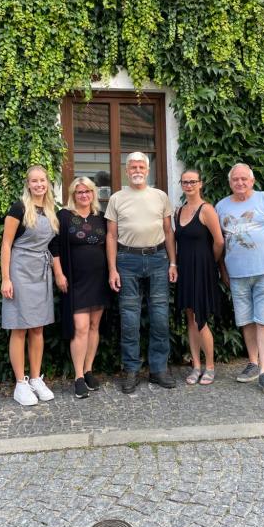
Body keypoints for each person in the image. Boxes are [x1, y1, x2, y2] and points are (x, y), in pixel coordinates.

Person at [216, 163, 264, 396]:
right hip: (237, 274)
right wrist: (223, 270)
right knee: (246, 320)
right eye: (235, 179)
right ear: (230, 183)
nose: (240, 183)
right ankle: (253, 362)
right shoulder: (221, 206)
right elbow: (219, 242)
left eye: (244, 179)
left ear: (252, 180)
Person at [106, 151, 177, 393]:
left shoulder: (160, 196)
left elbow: (169, 232)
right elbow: (111, 236)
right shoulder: (117, 198)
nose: (137, 170)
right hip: (127, 260)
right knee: (129, 319)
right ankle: (131, 369)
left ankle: (158, 369)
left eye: (141, 166)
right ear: (126, 171)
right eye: (132, 167)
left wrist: (173, 263)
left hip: (158, 259)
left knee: (159, 317)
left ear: (148, 170)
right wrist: (112, 268)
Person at [1, 165, 58, 406]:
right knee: (19, 327)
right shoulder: (19, 208)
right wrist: (6, 278)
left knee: (38, 328)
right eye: (34, 181)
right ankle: (20, 384)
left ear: (47, 183)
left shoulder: (51, 210)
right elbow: (6, 245)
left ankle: (35, 378)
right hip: (20, 271)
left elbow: (53, 247)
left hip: (41, 272)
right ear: (28, 184)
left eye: (42, 180)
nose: (39, 184)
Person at [50, 177, 111, 399]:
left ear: (93, 193)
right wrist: (58, 273)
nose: (84, 195)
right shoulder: (64, 216)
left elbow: (110, 244)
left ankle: (88, 370)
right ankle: (77, 377)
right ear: (72, 195)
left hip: (99, 279)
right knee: (81, 327)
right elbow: (54, 245)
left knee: (94, 325)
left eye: (87, 191)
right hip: (75, 280)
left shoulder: (100, 217)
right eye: (79, 192)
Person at [175, 169, 224, 385]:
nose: (188, 185)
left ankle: (210, 366)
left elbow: (219, 241)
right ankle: (196, 365)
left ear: (200, 184)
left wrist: (209, 262)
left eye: (192, 181)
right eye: (185, 182)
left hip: (203, 269)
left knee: (200, 318)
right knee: (190, 319)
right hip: (185, 269)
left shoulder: (207, 210)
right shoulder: (179, 211)